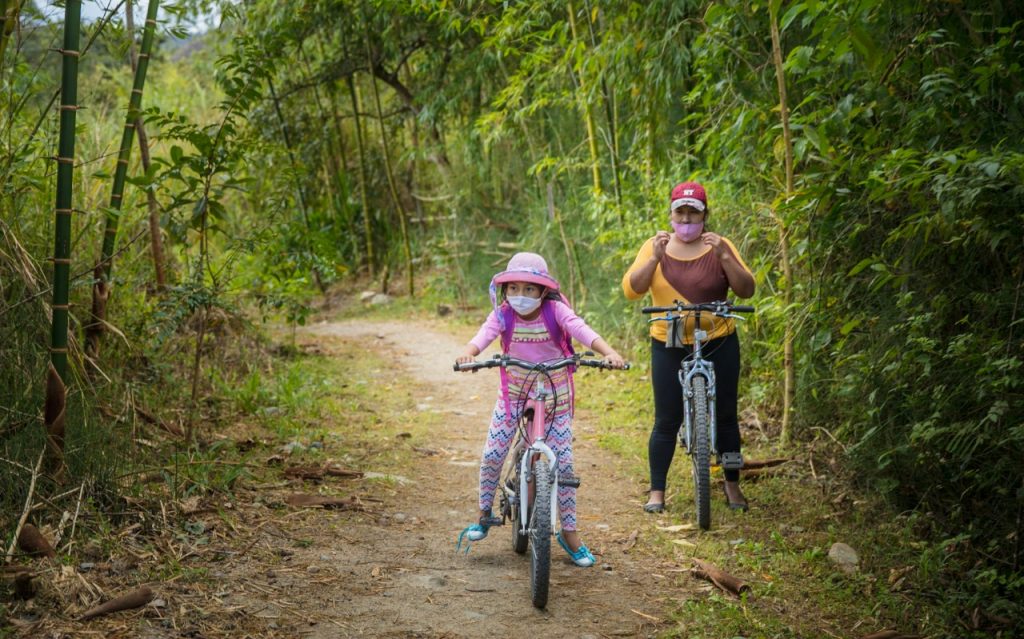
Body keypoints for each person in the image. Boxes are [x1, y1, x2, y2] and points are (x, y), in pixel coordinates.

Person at [455, 252, 626, 567]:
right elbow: (482, 337)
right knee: (493, 453)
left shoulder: (556, 311)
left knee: (564, 465)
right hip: (514, 396)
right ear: (505, 291)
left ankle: (570, 532)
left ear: (544, 291)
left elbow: (582, 330)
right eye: (514, 288)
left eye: (530, 289)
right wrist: (469, 353)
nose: (521, 296)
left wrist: (609, 352)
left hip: (555, 398)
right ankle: (483, 515)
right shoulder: (503, 314)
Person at [621, 181, 756, 513]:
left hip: (719, 339)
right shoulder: (655, 246)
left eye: (693, 213)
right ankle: (657, 491)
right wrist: (654, 257)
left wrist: (724, 255)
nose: (686, 219)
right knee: (666, 419)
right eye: (680, 212)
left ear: (704, 215)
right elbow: (632, 290)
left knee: (725, 415)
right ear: (670, 215)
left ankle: (732, 484)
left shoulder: (720, 246)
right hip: (668, 341)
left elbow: (746, 289)